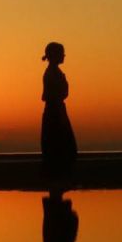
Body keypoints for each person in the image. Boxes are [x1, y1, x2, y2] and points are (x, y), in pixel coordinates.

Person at [41, 41, 77, 181]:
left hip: (56, 111)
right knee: (59, 147)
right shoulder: (52, 73)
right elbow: (56, 94)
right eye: (62, 53)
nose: (64, 56)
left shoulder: (53, 72)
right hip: (55, 113)